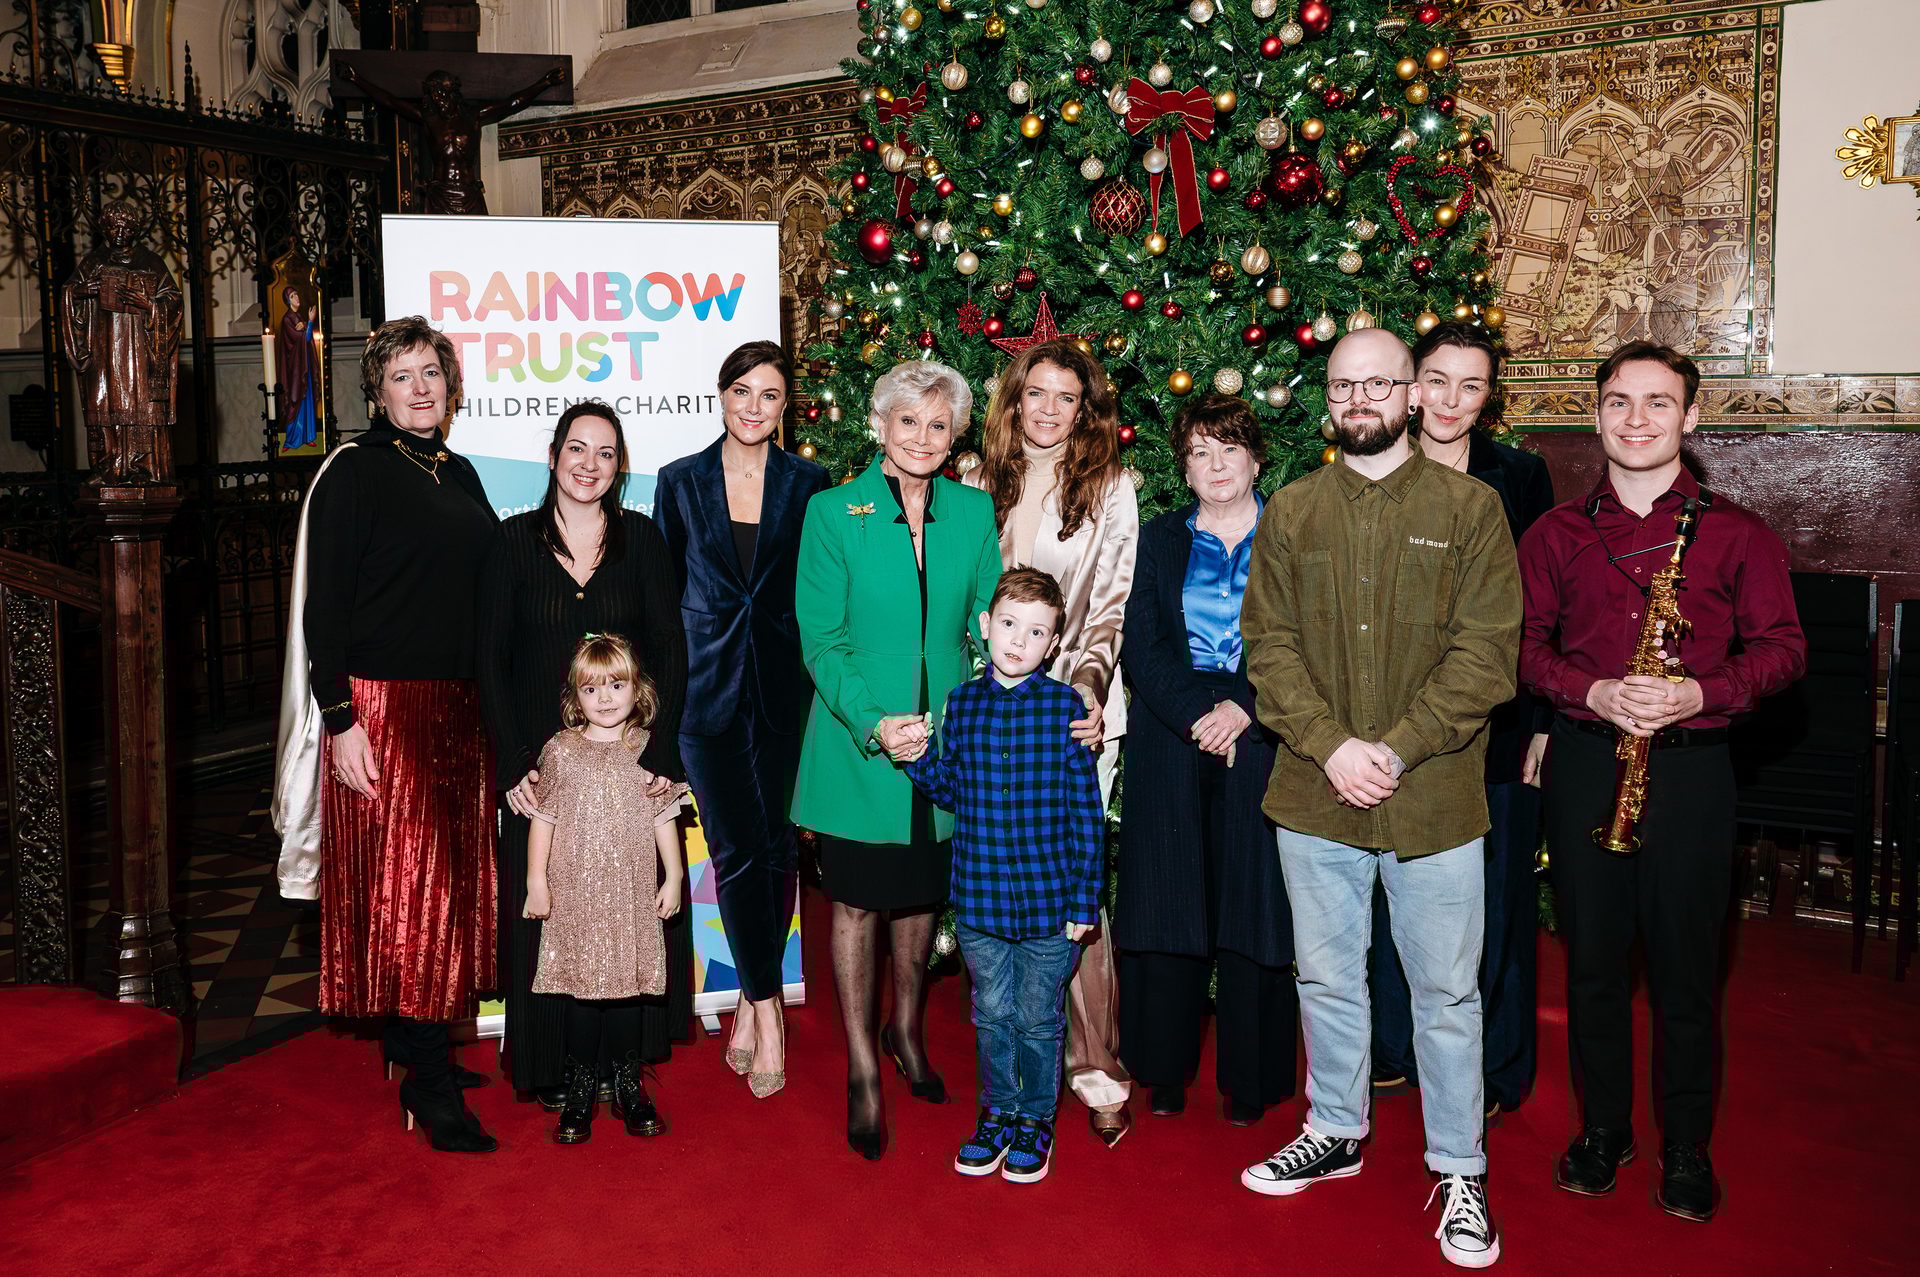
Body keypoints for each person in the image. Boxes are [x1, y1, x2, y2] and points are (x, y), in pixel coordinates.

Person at [1239, 327, 1521, 1269]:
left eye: (1378, 383)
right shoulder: (1291, 509)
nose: (1360, 399)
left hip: (1434, 797)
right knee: (1326, 977)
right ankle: (1337, 1128)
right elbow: (1267, 649)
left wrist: (1391, 750)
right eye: (1342, 385)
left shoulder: (1473, 508)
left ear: (1411, 395)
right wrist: (1332, 746)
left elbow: (1486, 656)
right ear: (1327, 400)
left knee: (1445, 991)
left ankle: (1460, 1165)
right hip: (1314, 794)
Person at [1519, 342, 1804, 1222]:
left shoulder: (1738, 533)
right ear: (1595, 414)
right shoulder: (1554, 533)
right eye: (1618, 402)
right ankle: (1604, 1131)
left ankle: (1687, 1147)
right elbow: (1522, 648)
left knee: (1686, 974)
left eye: (1656, 403)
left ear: (1689, 416)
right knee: (1593, 964)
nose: (1636, 420)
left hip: (1691, 774)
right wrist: (1592, 688)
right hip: (1582, 763)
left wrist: (1696, 692)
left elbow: (1785, 651)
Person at [792, 360, 1001, 1160]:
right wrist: (878, 725)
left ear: (955, 437)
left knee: (919, 901)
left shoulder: (974, 510)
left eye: (938, 425)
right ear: (880, 426)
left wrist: (960, 716)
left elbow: (986, 624)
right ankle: (859, 1068)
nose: (922, 437)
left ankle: (906, 1031)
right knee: (856, 906)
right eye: (907, 422)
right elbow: (822, 638)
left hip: (944, 749)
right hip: (858, 748)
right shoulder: (831, 513)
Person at [302, 316, 501, 1152]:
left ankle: (409, 1042)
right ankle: (428, 1084)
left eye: (432, 374)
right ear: (376, 393)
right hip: (384, 709)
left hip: (459, 708)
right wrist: (340, 717)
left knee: (448, 883)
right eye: (402, 378)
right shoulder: (357, 472)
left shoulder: (459, 472)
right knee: (415, 894)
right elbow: (325, 606)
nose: (421, 390)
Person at [476, 401, 688, 1113]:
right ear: (554, 456)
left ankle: (623, 1066)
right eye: (577, 448)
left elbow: (671, 649)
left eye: (604, 452)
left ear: (619, 466)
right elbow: (491, 659)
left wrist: (661, 749)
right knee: (550, 915)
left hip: (629, 769)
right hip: (544, 778)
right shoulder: (512, 543)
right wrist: (512, 764)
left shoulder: (644, 540)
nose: (589, 463)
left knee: (628, 909)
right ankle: (557, 1066)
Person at [1368, 323, 1556, 1120]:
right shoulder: (1372, 466)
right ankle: (1391, 1050)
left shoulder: (1521, 477)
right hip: (1389, 727)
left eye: (1469, 385)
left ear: (1490, 397)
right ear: (1411, 388)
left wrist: (1542, 722)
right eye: (1435, 381)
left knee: (1496, 898)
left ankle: (1497, 1067)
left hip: (1494, 727)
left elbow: (1545, 611)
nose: (1449, 401)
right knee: (1386, 895)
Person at [966, 337, 1139, 1146]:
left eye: (1066, 398)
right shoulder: (974, 479)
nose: (1047, 409)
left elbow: (1109, 604)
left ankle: (1095, 1064)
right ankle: (1010, 1062)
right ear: (1015, 399)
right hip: (986, 712)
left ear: (1086, 409)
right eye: (1036, 393)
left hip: (1070, 714)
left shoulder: (1110, 486)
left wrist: (1089, 691)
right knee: (993, 877)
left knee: (1069, 889)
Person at [1115, 394, 1295, 1129]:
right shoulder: (1159, 538)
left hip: (1265, 727)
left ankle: (1250, 1079)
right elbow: (1142, 643)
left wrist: (1242, 707)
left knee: (1256, 903)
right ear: (1183, 466)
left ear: (1256, 458)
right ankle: (1161, 1068)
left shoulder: (1291, 531)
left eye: (1229, 449)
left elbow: (1308, 636)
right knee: (1165, 895)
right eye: (1199, 452)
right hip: (1172, 728)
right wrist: (1198, 712)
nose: (1215, 465)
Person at [655, 341, 829, 1099]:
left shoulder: (810, 482)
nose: (753, 407)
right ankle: (765, 1005)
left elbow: (821, 590)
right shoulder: (680, 480)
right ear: (719, 397)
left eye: (769, 396)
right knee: (732, 849)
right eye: (741, 392)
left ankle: (757, 1007)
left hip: (787, 689)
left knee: (779, 846)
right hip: (705, 692)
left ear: (784, 407)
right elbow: (664, 596)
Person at [901, 568, 1104, 1184]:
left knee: (1040, 1015)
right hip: (982, 899)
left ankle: (1036, 1118)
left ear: (1053, 646)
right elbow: (952, 789)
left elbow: (1085, 815)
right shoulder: (962, 705)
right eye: (1010, 625)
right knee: (991, 1011)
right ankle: (998, 1112)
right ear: (986, 627)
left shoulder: (1065, 709)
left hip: (1049, 903)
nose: (1019, 641)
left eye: (1036, 632)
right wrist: (916, 758)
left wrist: (1085, 900)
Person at [523, 634, 692, 1144]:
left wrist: (676, 875)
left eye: (616, 685)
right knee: (581, 996)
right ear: (576, 697)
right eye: (592, 689)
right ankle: (579, 1090)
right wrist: (536, 882)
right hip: (576, 897)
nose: (606, 698)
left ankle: (627, 1086)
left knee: (625, 997)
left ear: (636, 689)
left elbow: (663, 816)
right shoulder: (560, 750)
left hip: (631, 894)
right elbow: (543, 818)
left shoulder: (648, 748)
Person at [336, 62, 566, 216]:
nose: (440, 99)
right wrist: (356, 79)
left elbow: (513, 103)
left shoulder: (473, 117)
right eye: (435, 95)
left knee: (480, 245)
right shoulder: (428, 119)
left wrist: (545, 82)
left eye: (444, 93)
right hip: (440, 193)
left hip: (469, 192)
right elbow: (390, 102)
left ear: (454, 93)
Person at [276, 285, 319, 452]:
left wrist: (308, 323)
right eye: (293, 296)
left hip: (305, 366)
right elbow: (300, 338)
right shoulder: (287, 319)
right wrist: (309, 322)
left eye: (297, 294)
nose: (297, 298)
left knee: (306, 398)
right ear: (288, 300)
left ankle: (307, 437)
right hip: (295, 370)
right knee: (295, 399)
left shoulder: (299, 316)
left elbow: (306, 339)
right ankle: (291, 440)